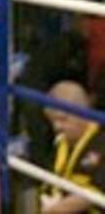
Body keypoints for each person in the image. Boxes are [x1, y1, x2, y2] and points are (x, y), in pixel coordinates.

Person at [40, 80, 105, 212]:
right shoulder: (58, 141)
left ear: (83, 113)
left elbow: (93, 195)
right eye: (52, 120)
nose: (57, 126)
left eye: (63, 119)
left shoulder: (101, 143)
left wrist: (55, 211)